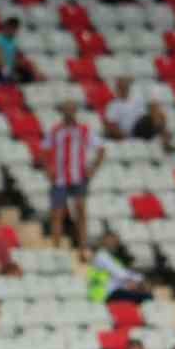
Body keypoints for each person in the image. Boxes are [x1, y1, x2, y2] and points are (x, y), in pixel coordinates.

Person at [45, 103, 104, 250]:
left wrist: (93, 169)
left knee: (81, 210)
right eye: (67, 109)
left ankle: (83, 245)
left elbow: (101, 150)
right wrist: (48, 170)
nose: (69, 112)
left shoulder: (84, 130)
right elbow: (45, 151)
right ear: (63, 112)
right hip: (59, 177)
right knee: (57, 213)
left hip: (79, 176)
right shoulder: (55, 131)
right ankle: (56, 247)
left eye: (72, 109)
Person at [102, 78, 171, 150]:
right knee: (149, 118)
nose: (124, 89)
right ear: (117, 89)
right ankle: (164, 139)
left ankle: (164, 141)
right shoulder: (113, 105)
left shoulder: (137, 100)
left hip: (144, 127)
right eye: (121, 87)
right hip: (131, 131)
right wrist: (124, 136)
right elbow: (111, 125)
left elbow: (151, 110)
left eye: (125, 86)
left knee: (156, 112)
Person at [88, 230, 152, 304]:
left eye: (116, 241)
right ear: (104, 241)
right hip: (104, 294)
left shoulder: (113, 258)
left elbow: (123, 274)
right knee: (146, 297)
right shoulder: (101, 256)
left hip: (114, 291)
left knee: (146, 295)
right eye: (111, 241)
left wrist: (139, 280)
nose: (114, 243)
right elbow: (120, 274)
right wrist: (139, 280)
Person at [0, 17, 44, 83]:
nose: (14, 31)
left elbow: (18, 57)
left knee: (29, 63)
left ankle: (38, 76)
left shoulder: (15, 41)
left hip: (12, 67)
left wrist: (32, 68)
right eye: (13, 28)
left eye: (16, 29)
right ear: (6, 27)